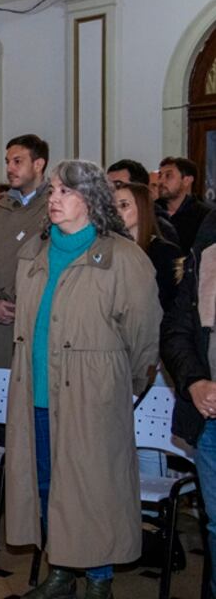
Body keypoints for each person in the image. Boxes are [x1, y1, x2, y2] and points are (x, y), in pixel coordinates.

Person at [6, 160, 161, 599]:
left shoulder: (122, 257)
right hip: (35, 392)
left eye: (65, 192)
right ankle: (61, 571)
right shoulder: (34, 255)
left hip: (92, 396)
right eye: (53, 190)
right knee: (48, 484)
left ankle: (98, 578)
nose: (54, 199)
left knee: (93, 488)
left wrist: (120, 385)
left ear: (91, 201)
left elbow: (144, 337)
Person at [160, 210, 216, 599]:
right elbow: (177, 330)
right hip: (211, 416)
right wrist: (194, 380)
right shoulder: (207, 247)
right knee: (215, 524)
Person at [0, 134, 50, 370]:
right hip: (0, 321)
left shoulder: (55, 207)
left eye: (17, 161)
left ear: (38, 165)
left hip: (39, 321)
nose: (9, 168)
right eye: (7, 162)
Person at [113, 182, 181, 311]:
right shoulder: (110, 248)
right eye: (113, 207)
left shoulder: (165, 252)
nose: (117, 212)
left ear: (142, 207)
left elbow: (169, 301)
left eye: (124, 205)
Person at [107, 158, 179, 244]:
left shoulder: (163, 231)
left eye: (118, 184)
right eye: (107, 185)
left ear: (138, 189)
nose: (110, 191)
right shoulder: (104, 224)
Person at [156, 156, 212, 254]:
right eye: (160, 176)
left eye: (168, 176)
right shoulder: (150, 211)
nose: (161, 181)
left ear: (187, 180)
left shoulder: (205, 216)